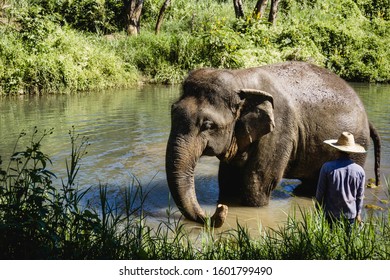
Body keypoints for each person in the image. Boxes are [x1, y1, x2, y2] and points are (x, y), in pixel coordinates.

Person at [315, 132, 366, 228]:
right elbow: (360, 196)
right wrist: (358, 214)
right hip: (350, 215)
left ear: (336, 150)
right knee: (347, 242)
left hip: (330, 214)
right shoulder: (360, 171)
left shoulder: (327, 167)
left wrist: (318, 209)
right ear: (351, 152)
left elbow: (320, 192)